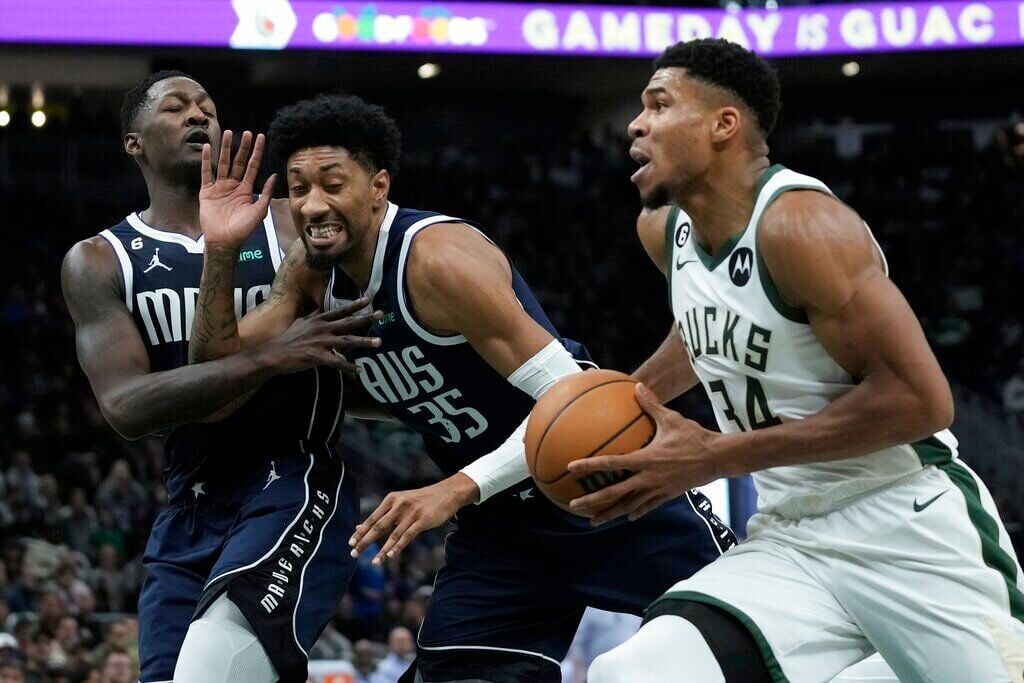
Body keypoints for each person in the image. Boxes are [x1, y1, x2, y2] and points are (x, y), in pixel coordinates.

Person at [189, 93, 736, 682]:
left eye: (332, 183)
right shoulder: (311, 271)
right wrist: (220, 250)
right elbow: (218, 374)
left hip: (602, 484)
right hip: (503, 528)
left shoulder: (437, 260)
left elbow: (580, 398)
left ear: (378, 187)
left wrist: (452, 488)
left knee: (747, 641)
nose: (313, 204)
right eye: (298, 188)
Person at [566, 39, 1024, 682]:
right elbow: (709, 327)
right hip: (792, 533)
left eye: (659, 104)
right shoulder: (663, 232)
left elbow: (922, 402)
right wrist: (628, 397)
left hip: (906, 525)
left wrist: (715, 456)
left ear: (724, 125)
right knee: (636, 673)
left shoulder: (803, 226)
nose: (636, 124)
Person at [62, 71, 376, 682]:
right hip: (190, 498)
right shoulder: (100, 259)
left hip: (293, 476)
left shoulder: (286, 221)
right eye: (176, 108)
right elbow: (125, 407)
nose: (197, 114)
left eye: (206, 105)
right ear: (134, 143)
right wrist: (270, 356)